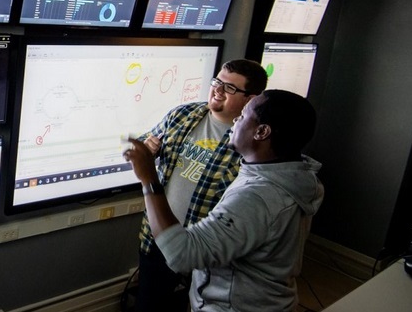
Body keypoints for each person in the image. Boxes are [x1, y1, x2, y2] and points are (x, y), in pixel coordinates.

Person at [125, 89, 324, 311]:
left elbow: (182, 254)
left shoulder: (257, 197)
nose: (236, 119)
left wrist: (149, 179)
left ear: (261, 132)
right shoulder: (292, 176)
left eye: (244, 115)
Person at [135, 59, 268, 311]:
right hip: (158, 239)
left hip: (205, 250)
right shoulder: (182, 115)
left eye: (230, 88)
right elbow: (140, 146)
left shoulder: (250, 142)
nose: (218, 90)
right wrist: (147, 147)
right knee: (149, 305)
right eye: (217, 81)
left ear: (250, 100)